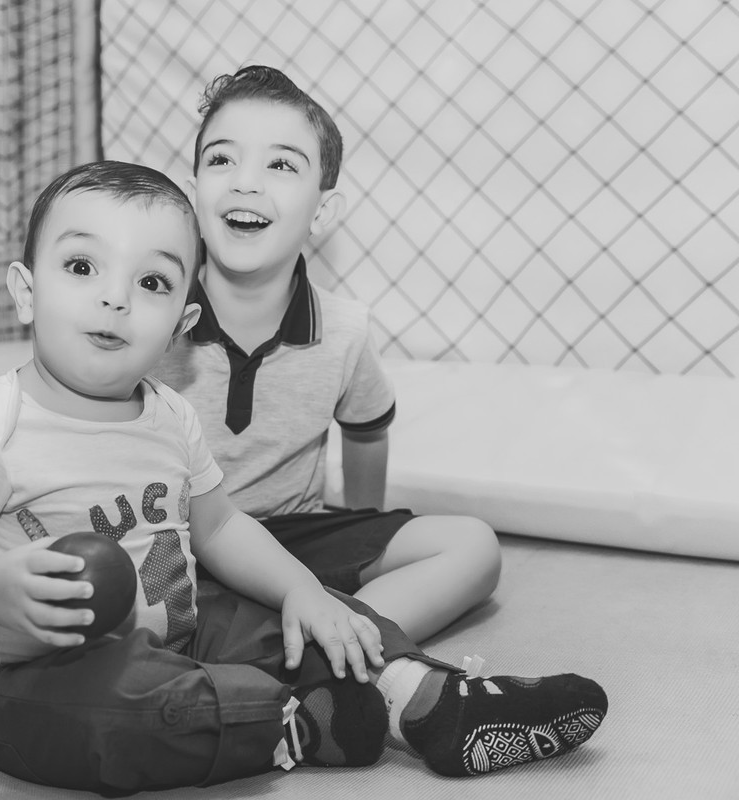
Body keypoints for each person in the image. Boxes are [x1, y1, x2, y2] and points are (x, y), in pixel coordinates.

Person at [0, 160, 607, 794]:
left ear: (181, 325)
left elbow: (222, 526)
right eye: (81, 267)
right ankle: (294, 721)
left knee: (303, 619)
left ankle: (431, 700)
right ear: (25, 291)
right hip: (38, 676)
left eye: (152, 281)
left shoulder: (169, 417)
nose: (115, 297)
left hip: (186, 632)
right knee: (112, 719)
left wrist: (303, 591)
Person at [156, 65, 501, 643]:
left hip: (295, 539)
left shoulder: (344, 330)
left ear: (322, 211)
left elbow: (367, 432)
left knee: (475, 546)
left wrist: (364, 531)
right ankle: (302, 646)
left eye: (281, 165)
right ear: (193, 197)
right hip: (174, 542)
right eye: (222, 159)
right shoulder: (151, 316)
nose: (246, 182)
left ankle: (327, 640)